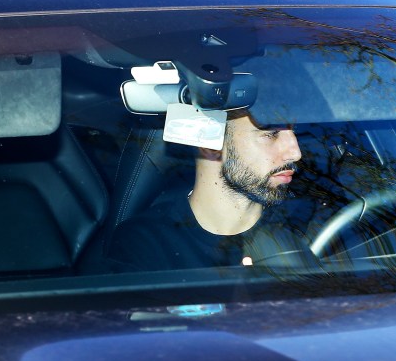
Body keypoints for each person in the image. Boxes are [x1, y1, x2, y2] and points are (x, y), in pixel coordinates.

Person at [107, 110, 304, 270]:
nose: (295, 153)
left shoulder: (308, 225)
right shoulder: (145, 246)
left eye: (294, 131)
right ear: (208, 145)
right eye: (270, 133)